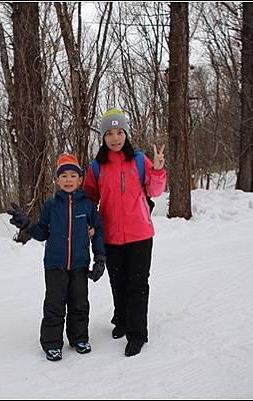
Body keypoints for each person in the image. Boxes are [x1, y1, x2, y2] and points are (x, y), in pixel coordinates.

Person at [83, 108, 167, 357]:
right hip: (109, 235)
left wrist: (158, 170)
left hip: (140, 234)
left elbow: (154, 191)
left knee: (138, 284)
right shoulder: (97, 166)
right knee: (117, 282)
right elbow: (89, 197)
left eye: (120, 132)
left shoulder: (140, 160)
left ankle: (137, 333)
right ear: (103, 137)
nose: (115, 138)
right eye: (109, 133)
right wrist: (85, 220)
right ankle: (121, 319)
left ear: (126, 134)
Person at [7, 153, 107, 362]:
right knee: (54, 305)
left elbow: (97, 231)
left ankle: (79, 338)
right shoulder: (51, 206)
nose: (68, 179)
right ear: (57, 180)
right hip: (55, 265)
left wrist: (100, 258)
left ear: (80, 180)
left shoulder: (87, 206)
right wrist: (26, 224)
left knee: (80, 303)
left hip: (80, 264)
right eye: (64, 176)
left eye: (73, 175)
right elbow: (42, 232)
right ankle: (52, 343)